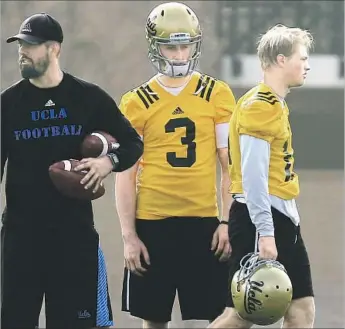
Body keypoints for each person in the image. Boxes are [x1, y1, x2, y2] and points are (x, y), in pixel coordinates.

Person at [1, 13, 143, 329]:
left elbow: (133, 143)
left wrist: (108, 163)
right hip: (21, 239)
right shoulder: (8, 104)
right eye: (20, 45)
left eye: (31, 46)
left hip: (73, 237)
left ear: (54, 49)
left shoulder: (87, 98)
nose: (22, 52)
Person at [115, 2, 236, 328]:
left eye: (185, 46)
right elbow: (126, 174)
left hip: (204, 223)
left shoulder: (217, 94)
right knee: (153, 319)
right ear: (156, 47)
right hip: (152, 223)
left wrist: (226, 221)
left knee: (211, 318)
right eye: (171, 46)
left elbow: (229, 167)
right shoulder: (136, 102)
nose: (180, 54)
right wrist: (129, 236)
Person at [208, 24, 315, 328]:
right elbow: (254, 177)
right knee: (240, 316)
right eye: (302, 58)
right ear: (281, 60)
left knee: (302, 309)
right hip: (262, 219)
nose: (306, 65)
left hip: (283, 219)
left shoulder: (273, 103)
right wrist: (266, 233)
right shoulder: (259, 106)